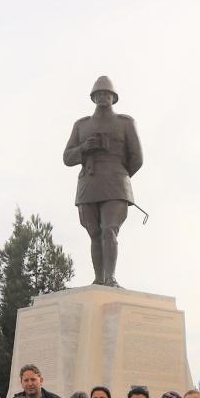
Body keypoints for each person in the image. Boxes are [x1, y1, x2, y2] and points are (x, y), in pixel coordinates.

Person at [62, 75, 144, 286]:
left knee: (109, 229)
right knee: (94, 233)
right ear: (93, 97)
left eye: (106, 94)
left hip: (116, 185)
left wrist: (119, 174)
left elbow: (137, 158)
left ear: (113, 97)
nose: (102, 97)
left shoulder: (125, 123)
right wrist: (84, 148)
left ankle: (110, 277)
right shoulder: (81, 126)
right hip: (89, 184)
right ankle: (99, 279)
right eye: (98, 94)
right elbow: (67, 157)